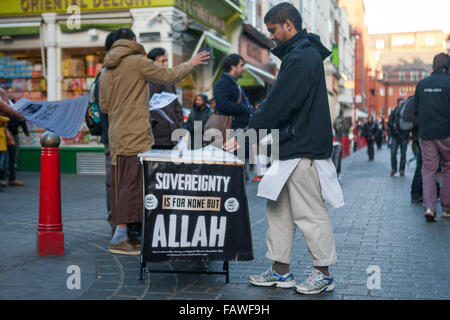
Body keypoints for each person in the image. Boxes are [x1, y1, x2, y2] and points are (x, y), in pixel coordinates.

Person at [229, 3, 338, 294]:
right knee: (278, 210)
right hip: (290, 146)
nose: (271, 36)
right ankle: (280, 271)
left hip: (303, 148)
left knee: (310, 213)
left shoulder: (302, 57)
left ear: (288, 25)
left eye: (273, 30)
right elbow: (278, 104)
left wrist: (247, 134)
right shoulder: (298, 54)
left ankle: (323, 273)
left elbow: (279, 103)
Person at [99, 28, 210, 255]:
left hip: (116, 134)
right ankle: (120, 238)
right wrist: (192, 62)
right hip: (135, 134)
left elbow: (104, 106)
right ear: (132, 40)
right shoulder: (137, 61)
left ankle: (124, 235)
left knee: (121, 184)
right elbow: (170, 76)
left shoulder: (106, 69)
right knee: (132, 185)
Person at [413, 53, 450, 222]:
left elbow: (415, 111)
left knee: (428, 170)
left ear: (433, 66)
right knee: (448, 169)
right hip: (446, 134)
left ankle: (429, 207)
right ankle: (446, 209)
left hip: (426, 135)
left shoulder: (422, 85)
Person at [147, 47, 185, 150]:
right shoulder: (145, 82)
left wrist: (180, 128)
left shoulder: (169, 81)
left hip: (172, 135)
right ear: (152, 63)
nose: (166, 64)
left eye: (166, 61)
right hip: (155, 136)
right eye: (163, 61)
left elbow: (177, 108)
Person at [5, 86, 30, 187]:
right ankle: (3, 178)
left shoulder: (16, 105)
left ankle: (12, 178)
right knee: (3, 157)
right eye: (8, 92)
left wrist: (26, 133)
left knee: (13, 157)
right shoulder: (4, 105)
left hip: (14, 134)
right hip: (4, 133)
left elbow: (22, 120)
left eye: (11, 92)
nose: (10, 94)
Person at [388, 98, 409, 176]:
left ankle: (402, 170)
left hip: (404, 136)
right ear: (398, 103)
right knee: (393, 153)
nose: (402, 104)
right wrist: (392, 126)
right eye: (400, 103)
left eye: (403, 103)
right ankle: (394, 168)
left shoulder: (407, 112)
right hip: (395, 136)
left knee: (403, 154)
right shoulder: (394, 111)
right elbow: (389, 122)